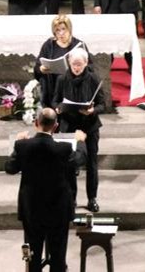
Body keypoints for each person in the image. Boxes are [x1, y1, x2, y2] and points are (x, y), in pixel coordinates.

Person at [5, 108, 86, 272]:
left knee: (32, 255)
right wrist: (80, 142)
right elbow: (79, 159)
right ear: (55, 126)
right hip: (58, 208)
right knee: (58, 256)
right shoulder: (63, 149)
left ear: (36, 123)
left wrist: (17, 147)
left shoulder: (22, 146)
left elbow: (10, 168)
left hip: (31, 208)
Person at [52, 48, 107, 212]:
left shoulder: (93, 78)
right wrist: (58, 109)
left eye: (80, 64)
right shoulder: (62, 79)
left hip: (89, 126)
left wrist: (93, 110)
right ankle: (71, 199)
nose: (76, 67)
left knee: (91, 163)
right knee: (69, 164)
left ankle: (92, 198)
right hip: (69, 126)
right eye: (74, 64)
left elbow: (103, 103)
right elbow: (55, 100)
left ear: (85, 63)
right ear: (69, 63)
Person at [33, 15, 91, 109]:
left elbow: (90, 68)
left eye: (63, 29)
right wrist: (41, 69)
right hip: (53, 90)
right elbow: (37, 67)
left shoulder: (78, 45)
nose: (61, 33)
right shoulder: (49, 45)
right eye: (57, 30)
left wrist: (78, 69)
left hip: (74, 90)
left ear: (69, 29)